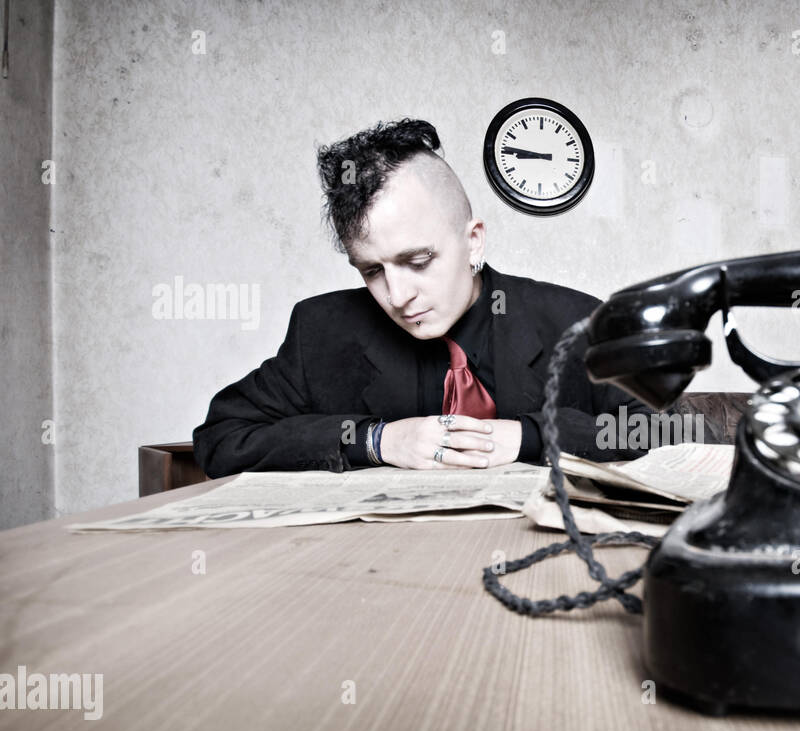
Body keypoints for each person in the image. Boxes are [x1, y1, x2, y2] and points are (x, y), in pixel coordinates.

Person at [192, 118, 654, 477]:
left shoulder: (577, 320)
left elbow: (667, 435)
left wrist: (530, 436)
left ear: (473, 241)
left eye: (417, 261)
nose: (397, 296)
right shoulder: (321, 330)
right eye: (372, 270)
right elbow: (222, 436)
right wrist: (375, 440)